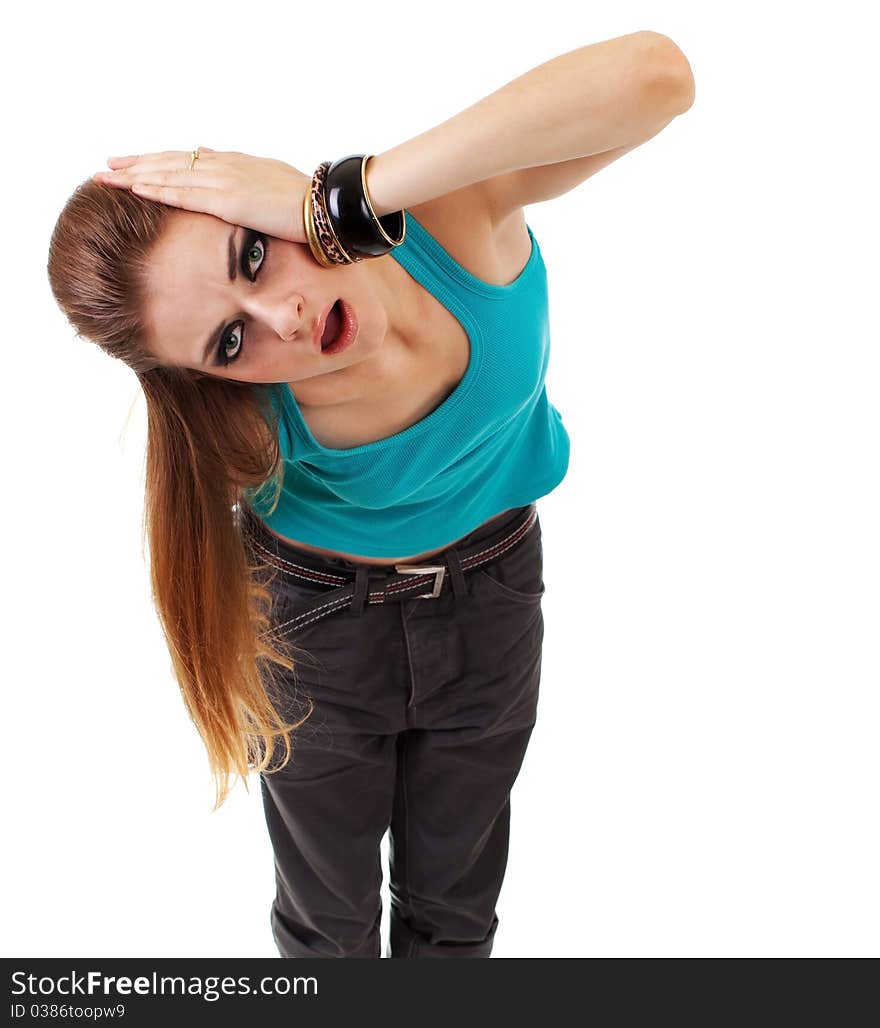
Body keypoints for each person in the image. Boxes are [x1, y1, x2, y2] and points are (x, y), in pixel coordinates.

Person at [46, 32, 695, 958]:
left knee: (455, 918)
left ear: (260, 195)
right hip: (317, 633)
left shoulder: (450, 224)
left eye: (253, 256)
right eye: (229, 343)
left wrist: (342, 198)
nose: (284, 321)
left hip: (492, 600)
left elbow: (659, 79)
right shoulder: (247, 425)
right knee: (329, 929)